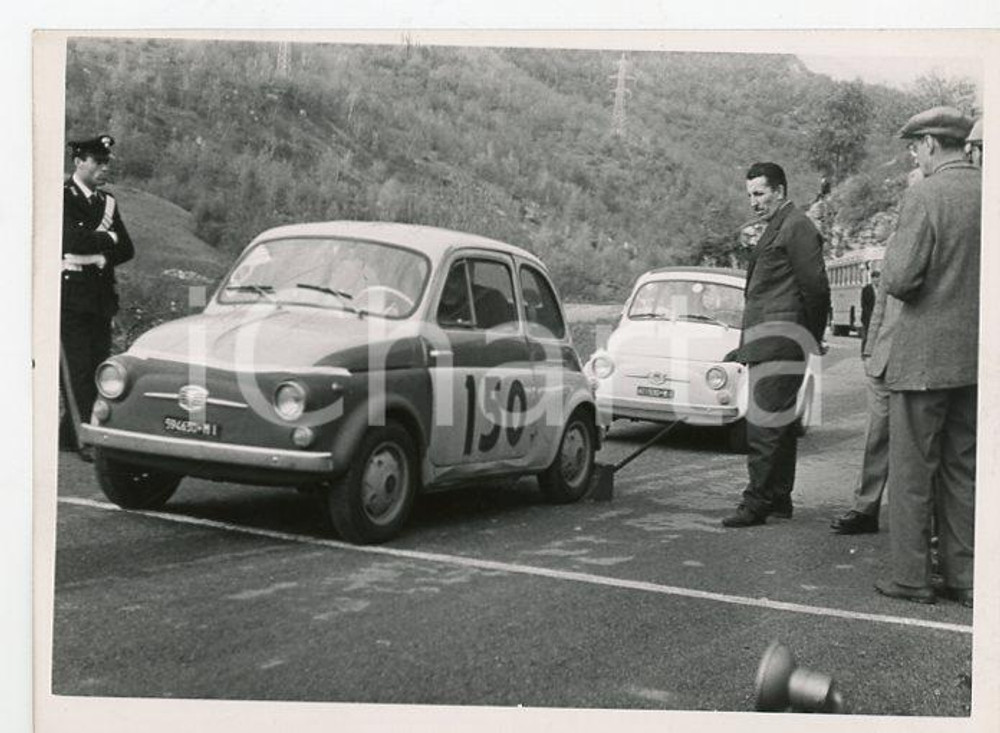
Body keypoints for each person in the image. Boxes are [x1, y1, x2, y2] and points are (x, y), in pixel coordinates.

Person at [874, 107, 979, 607]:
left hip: (922, 363)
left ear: (933, 144)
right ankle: (965, 578)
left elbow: (898, 279)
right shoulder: (989, 193)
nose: (914, 154)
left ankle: (912, 578)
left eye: (915, 145)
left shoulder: (924, 195)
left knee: (914, 471)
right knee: (963, 471)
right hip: (975, 362)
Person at [722, 162, 831, 527]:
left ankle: (755, 502)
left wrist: (809, 337)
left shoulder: (796, 226)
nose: (754, 202)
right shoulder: (781, 226)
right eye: (750, 195)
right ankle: (778, 498)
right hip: (771, 341)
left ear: (780, 191)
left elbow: (815, 288)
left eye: (760, 193)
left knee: (764, 423)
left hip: (782, 341)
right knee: (779, 423)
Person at [60, 134, 135, 461]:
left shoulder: (108, 202)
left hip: (100, 297)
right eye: (97, 161)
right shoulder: (62, 197)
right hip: (72, 297)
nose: (103, 168)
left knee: (96, 365)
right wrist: (107, 238)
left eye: (106, 163)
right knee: (77, 368)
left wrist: (103, 252)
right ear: (79, 161)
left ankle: (68, 432)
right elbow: (69, 239)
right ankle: (83, 438)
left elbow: (127, 249)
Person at [829, 270, 900, 534]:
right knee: (877, 436)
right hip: (884, 357)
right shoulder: (896, 239)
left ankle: (928, 524)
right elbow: (881, 304)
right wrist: (869, 349)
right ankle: (865, 508)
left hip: (919, 358)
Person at [859, 270, 878, 352]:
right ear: (872, 279)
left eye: (879, 278)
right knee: (866, 335)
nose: (878, 280)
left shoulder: (881, 289)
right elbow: (864, 304)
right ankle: (864, 351)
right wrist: (870, 315)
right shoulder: (866, 289)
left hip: (878, 315)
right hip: (868, 316)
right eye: (876, 278)